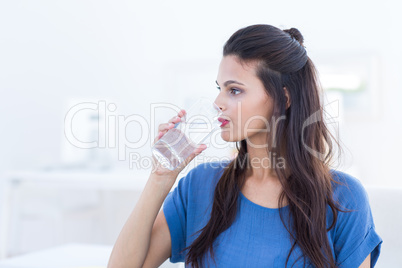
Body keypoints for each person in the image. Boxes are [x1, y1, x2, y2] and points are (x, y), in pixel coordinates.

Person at [107, 24, 383, 268]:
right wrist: (160, 178)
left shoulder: (343, 198)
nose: (218, 102)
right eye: (219, 88)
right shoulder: (199, 186)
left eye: (234, 90)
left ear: (282, 98)